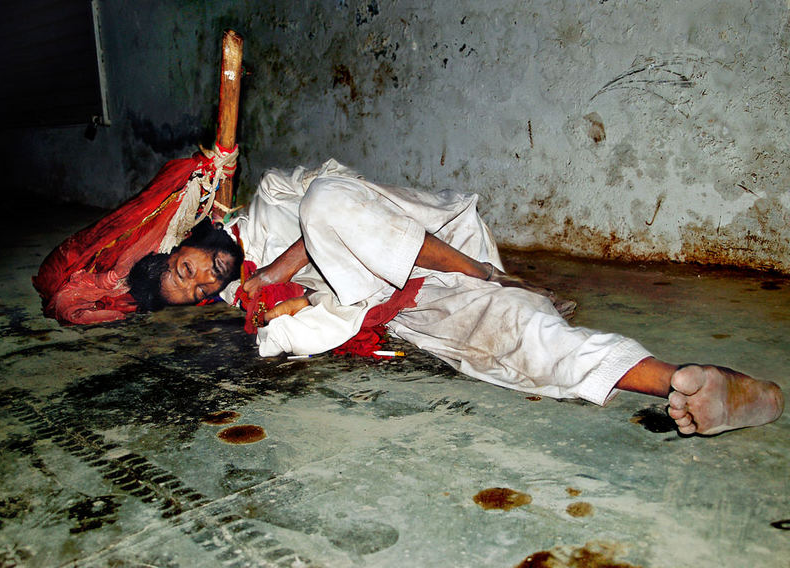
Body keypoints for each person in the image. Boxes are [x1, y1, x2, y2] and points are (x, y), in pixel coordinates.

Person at [129, 159, 784, 437]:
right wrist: (285, 308)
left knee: (323, 202)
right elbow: (304, 330)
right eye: (190, 291)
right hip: (408, 307)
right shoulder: (248, 306)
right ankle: (696, 384)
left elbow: (341, 206)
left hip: (439, 251)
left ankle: (486, 279)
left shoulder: (271, 193)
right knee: (532, 347)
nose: (198, 279)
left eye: (183, 267)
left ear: (189, 239)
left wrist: (275, 270)